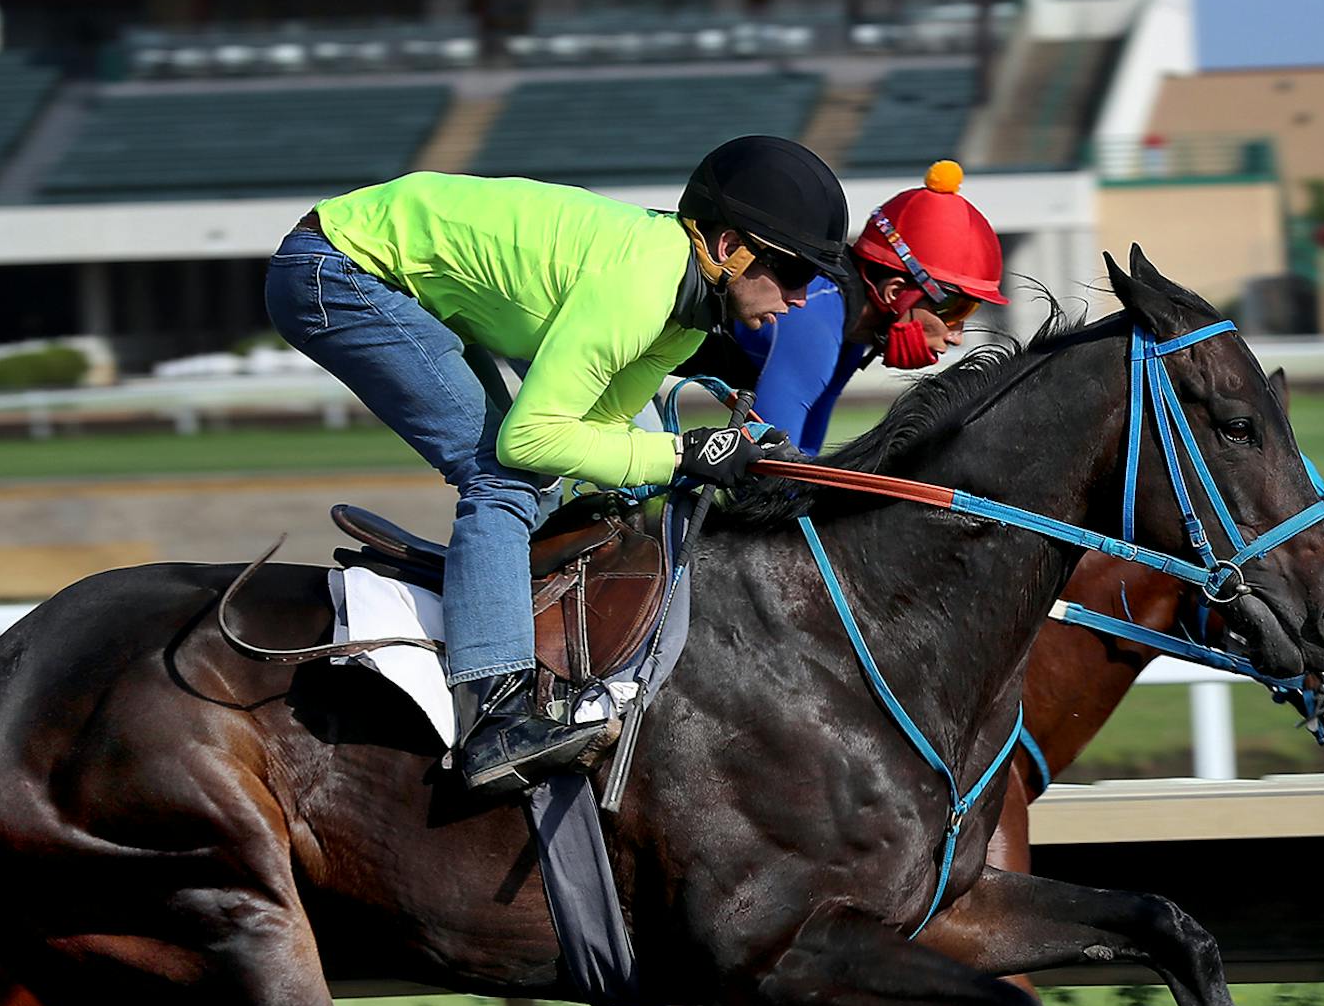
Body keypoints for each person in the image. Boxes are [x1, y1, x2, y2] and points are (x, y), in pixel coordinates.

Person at [265, 136, 849, 793]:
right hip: (337, 269)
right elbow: (531, 440)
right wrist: (686, 452)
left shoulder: (685, 321)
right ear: (725, 247)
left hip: (397, 281)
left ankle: (497, 621)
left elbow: (596, 431)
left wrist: (709, 457)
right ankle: (493, 715)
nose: (802, 300)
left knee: (533, 484)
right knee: (500, 476)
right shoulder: (644, 286)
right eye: (795, 274)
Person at [695, 160, 1007, 454]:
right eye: (954, 309)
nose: (956, 337)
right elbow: (769, 467)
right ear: (895, 292)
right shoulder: (816, 317)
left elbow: (804, 455)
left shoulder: (851, 332)